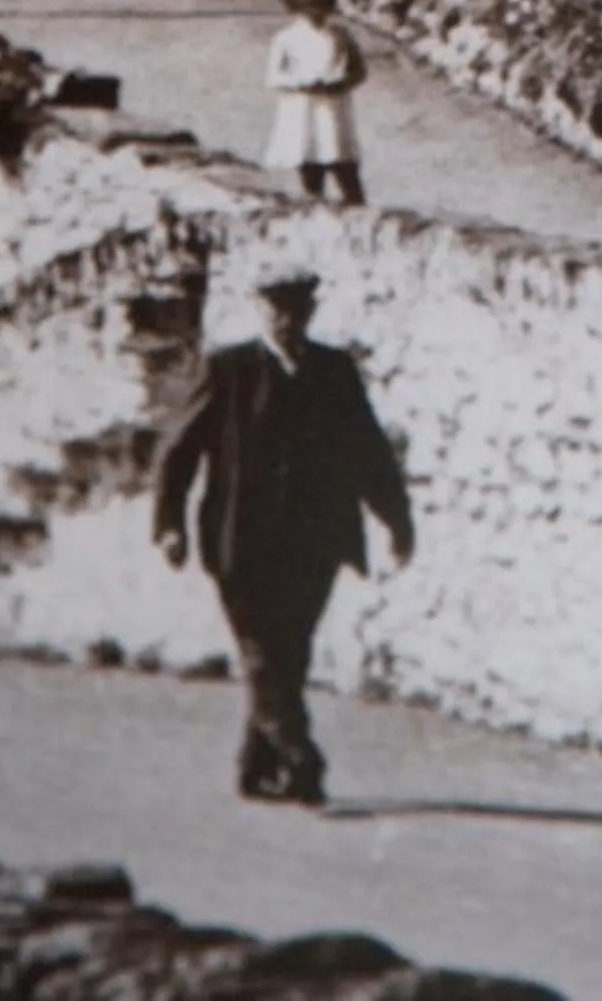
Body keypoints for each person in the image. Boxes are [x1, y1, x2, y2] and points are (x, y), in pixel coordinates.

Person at [152, 262, 414, 805]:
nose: (287, 319)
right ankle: (302, 760)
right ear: (260, 308)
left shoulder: (334, 370)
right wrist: (170, 523)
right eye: (277, 307)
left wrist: (396, 519)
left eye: (297, 308)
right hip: (239, 540)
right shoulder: (228, 371)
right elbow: (179, 450)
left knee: (289, 652)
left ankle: (255, 765)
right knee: (261, 651)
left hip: (314, 540)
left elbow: (367, 449)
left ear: (310, 311)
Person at [265, 0, 367, 207]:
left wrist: (341, 84)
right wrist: (301, 83)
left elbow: (359, 70)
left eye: (321, 9)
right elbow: (273, 77)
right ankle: (314, 205)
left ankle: (356, 208)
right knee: (309, 157)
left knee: (341, 159)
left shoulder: (340, 35)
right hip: (302, 107)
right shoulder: (286, 39)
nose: (317, 15)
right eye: (310, 10)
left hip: (332, 105)